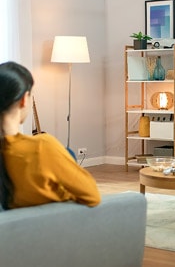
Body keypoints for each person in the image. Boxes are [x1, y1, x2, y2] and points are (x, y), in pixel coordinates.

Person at [0, 61, 100, 211]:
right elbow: (93, 196)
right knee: (67, 154)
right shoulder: (42, 146)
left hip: (13, 227)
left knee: (69, 153)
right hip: (49, 228)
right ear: (24, 100)